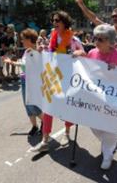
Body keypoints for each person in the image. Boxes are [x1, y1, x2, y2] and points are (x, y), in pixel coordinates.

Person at [73, 24, 117, 170]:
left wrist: (116, 71)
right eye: (95, 38)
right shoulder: (91, 52)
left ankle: (108, 154)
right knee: (95, 125)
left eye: (101, 39)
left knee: (110, 127)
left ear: (110, 41)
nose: (96, 41)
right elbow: (86, 70)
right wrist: (81, 56)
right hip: (95, 97)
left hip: (112, 99)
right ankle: (108, 145)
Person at [31, 11, 84, 153]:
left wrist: (76, 53)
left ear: (64, 22)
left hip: (68, 78)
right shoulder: (52, 37)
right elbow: (50, 55)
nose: (54, 23)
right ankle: (45, 140)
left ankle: (66, 133)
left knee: (67, 108)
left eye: (57, 20)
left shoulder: (73, 39)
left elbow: (83, 53)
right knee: (48, 107)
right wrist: (42, 50)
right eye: (53, 20)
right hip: (53, 76)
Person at [4, 29, 43, 136]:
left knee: (33, 105)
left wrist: (11, 62)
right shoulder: (27, 51)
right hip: (24, 79)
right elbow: (23, 63)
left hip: (33, 81)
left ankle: (45, 121)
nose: (21, 41)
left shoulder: (37, 51)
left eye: (23, 39)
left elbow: (26, 65)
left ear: (29, 40)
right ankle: (34, 126)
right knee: (27, 104)